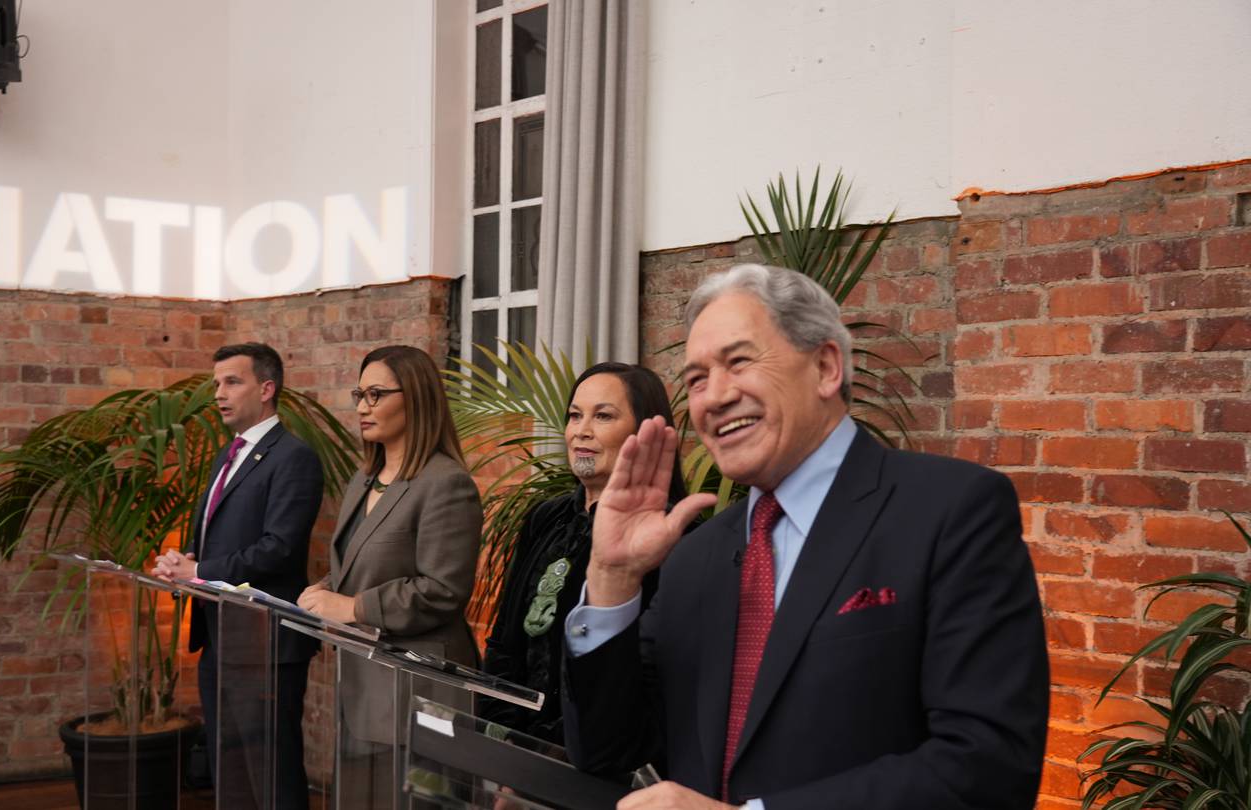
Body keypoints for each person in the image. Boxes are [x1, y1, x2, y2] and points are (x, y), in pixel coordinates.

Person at [561, 264, 1049, 808]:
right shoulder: (695, 557)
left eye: (739, 361)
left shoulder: (952, 511)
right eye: (697, 379)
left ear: (825, 367)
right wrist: (612, 575)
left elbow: (988, 767)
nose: (714, 397)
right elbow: (609, 754)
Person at [297, 344, 482, 806]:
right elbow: (362, 562)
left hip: (421, 687)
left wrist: (353, 606)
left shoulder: (446, 483)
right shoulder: (364, 478)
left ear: (416, 397)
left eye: (376, 394)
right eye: (360, 393)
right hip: (364, 679)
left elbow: (443, 590)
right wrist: (323, 590)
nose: (362, 406)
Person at [152, 342, 323, 810]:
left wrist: (201, 571)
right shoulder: (229, 453)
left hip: (266, 642)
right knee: (231, 769)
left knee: (272, 773)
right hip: (220, 635)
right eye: (216, 384)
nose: (219, 394)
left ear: (267, 389)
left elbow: (279, 548)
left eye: (233, 381)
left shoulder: (293, 457)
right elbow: (220, 536)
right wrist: (184, 560)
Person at [479, 362, 687, 746]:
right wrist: (502, 738)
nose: (581, 431)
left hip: (600, 755)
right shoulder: (545, 516)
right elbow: (504, 641)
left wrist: (549, 754)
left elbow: (654, 676)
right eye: (575, 416)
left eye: (603, 416)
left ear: (645, 432)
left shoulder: (671, 533)